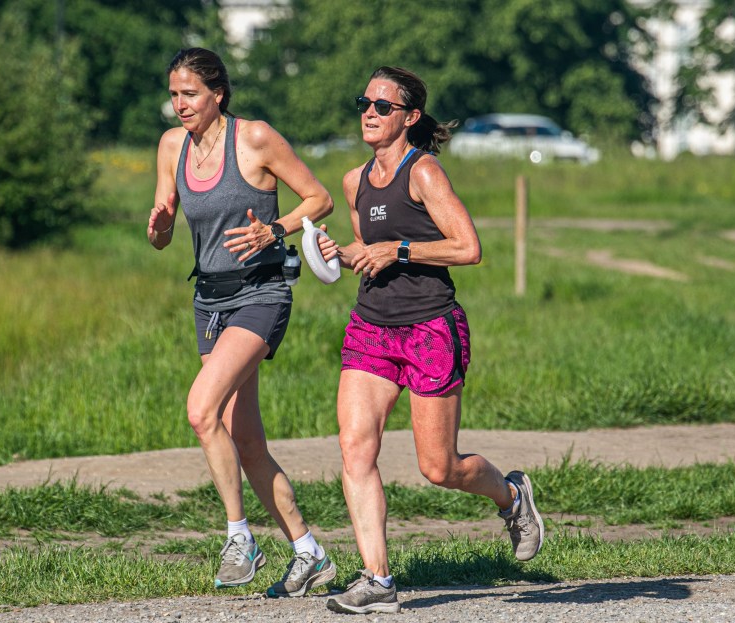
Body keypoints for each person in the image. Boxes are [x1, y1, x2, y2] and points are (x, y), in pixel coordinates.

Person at [320, 67, 545, 615]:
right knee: (355, 447)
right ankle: (377, 580)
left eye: (382, 106)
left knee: (439, 468)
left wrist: (397, 250)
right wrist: (342, 252)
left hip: (430, 327)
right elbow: (367, 245)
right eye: (363, 103)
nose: (369, 113)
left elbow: (468, 247)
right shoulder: (354, 181)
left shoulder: (423, 173)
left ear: (410, 117)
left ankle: (511, 496)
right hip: (371, 326)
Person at [147, 47, 336, 597]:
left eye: (190, 94)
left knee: (201, 410)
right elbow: (160, 234)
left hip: (262, 294)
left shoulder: (253, 138)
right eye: (174, 94)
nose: (179, 104)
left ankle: (239, 538)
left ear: (217, 94)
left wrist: (273, 230)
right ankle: (309, 552)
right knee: (244, 438)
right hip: (208, 299)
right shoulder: (171, 146)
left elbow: (318, 199)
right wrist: (158, 226)